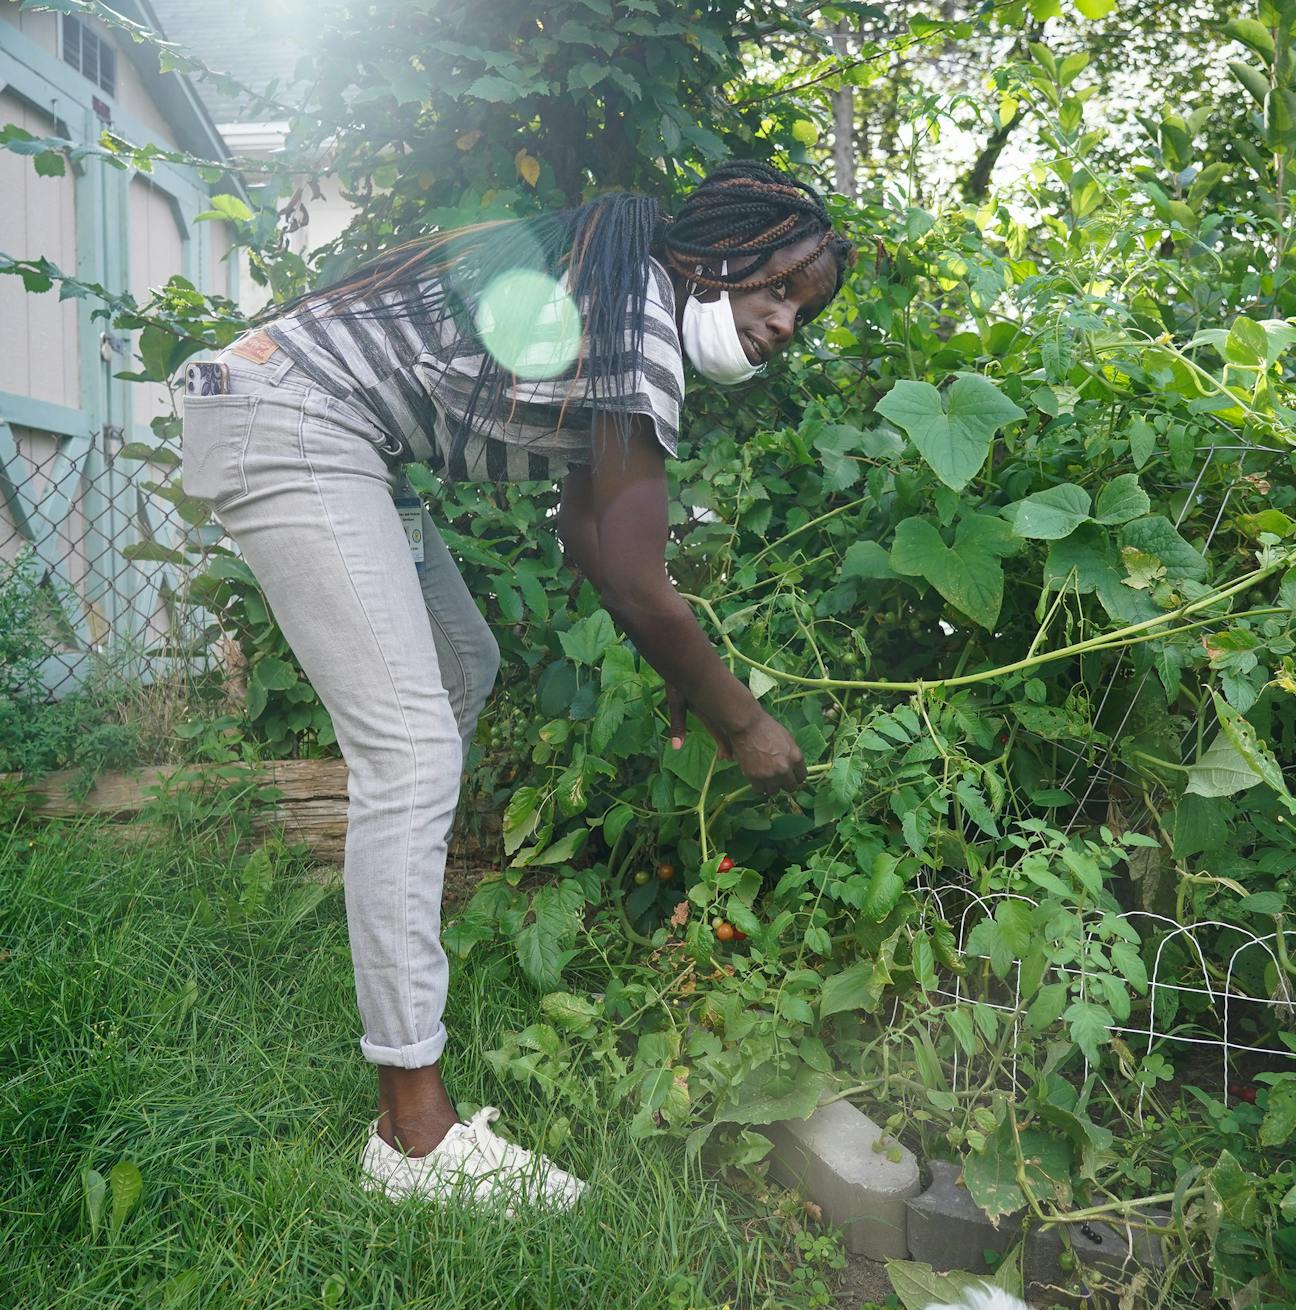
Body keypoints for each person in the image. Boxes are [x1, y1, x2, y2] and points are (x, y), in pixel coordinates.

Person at [180, 159, 854, 1210]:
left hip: (319, 420)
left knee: (458, 670)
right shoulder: (642, 314)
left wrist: (670, 660)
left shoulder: (626, 301)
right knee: (409, 750)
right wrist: (746, 721)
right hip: (291, 416)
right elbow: (633, 574)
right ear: (723, 256)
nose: (781, 328)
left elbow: (592, 534)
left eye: (800, 318)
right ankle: (413, 1136)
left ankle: (390, 912)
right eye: (778, 293)